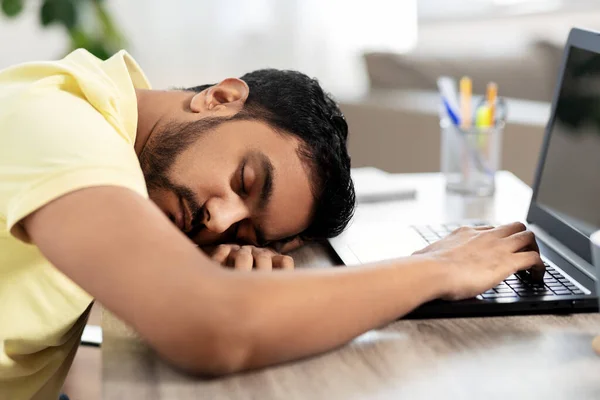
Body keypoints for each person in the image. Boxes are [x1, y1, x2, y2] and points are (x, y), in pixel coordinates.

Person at [0, 49, 545, 400]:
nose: (218, 221)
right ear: (221, 99)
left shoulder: (115, 143)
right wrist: (437, 269)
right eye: (245, 181)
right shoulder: (63, 125)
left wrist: (212, 271)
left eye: (245, 233)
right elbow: (210, 328)